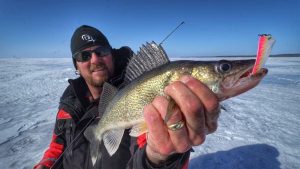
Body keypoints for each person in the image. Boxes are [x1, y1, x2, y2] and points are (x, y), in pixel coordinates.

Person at [34, 25, 220, 169]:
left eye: (101, 51)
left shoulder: (139, 94)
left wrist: (161, 157)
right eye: (84, 55)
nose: (95, 60)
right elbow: (58, 146)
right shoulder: (69, 102)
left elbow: (149, 148)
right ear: (76, 65)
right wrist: (45, 165)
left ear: (112, 54)